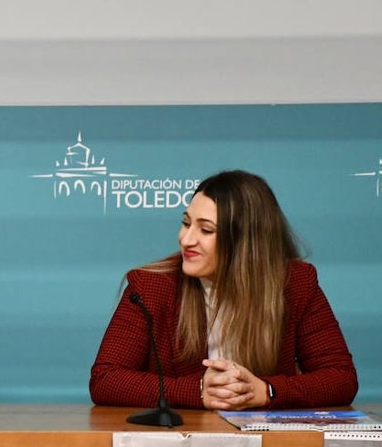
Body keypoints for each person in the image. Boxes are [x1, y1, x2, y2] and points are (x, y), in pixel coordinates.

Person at [89, 170, 358, 410]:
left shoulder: (296, 284)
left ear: (245, 242)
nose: (186, 238)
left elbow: (341, 378)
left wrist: (265, 391)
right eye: (186, 223)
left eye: (205, 229)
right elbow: (106, 379)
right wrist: (198, 391)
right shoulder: (151, 286)